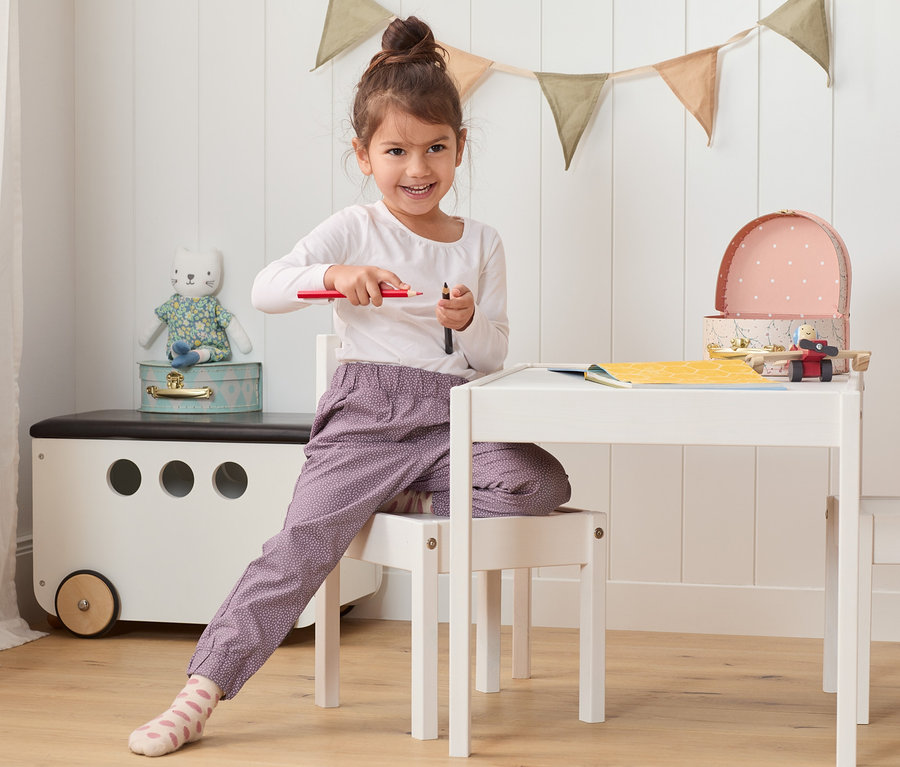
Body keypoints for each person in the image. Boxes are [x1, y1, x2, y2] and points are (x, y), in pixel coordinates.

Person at [128, 16, 571, 757]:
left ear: (460, 148)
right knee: (298, 548)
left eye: (435, 148)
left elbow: (492, 357)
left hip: (449, 420)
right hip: (367, 416)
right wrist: (333, 277)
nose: (417, 167)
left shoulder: (482, 240)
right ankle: (199, 691)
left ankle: (404, 494)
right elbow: (269, 287)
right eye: (396, 150)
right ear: (364, 156)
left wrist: (466, 321)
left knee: (540, 481)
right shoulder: (353, 225)